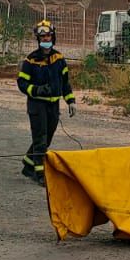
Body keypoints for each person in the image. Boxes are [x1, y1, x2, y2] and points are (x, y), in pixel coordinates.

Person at [16, 19, 76, 183]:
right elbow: (22, 83)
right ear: (38, 39)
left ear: (53, 37)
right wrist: (36, 90)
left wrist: (70, 101)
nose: (46, 40)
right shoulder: (31, 60)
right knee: (40, 138)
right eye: (43, 37)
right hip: (37, 105)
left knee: (47, 137)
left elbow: (65, 82)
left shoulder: (59, 59)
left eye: (48, 36)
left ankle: (28, 164)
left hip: (53, 105)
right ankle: (40, 174)